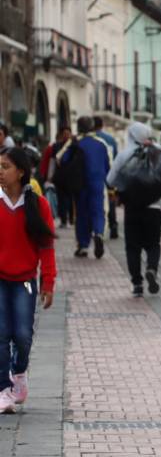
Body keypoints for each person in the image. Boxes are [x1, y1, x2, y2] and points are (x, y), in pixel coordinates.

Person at [0, 147, 56, 413]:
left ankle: (19, 373)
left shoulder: (37, 204)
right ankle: (3, 389)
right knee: (0, 334)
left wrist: (48, 282)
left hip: (24, 280)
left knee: (22, 335)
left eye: (5, 166)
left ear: (20, 172)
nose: (0, 171)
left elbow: (46, 247)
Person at [108, 122, 161, 297]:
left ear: (131, 136)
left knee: (132, 247)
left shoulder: (125, 155)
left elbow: (110, 180)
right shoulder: (160, 152)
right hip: (154, 208)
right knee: (153, 244)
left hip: (132, 208)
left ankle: (137, 283)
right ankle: (152, 268)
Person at [57, 116, 111, 258]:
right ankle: (98, 233)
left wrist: (70, 144)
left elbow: (61, 158)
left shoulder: (76, 143)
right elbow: (107, 165)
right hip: (97, 182)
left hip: (80, 183)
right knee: (98, 211)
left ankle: (83, 246)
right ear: (92, 127)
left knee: (81, 213)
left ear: (79, 128)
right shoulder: (101, 143)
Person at [93, 116, 119, 239]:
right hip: (110, 173)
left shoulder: (92, 139)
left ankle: (96, 229)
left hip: (94, 174)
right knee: (111, 200)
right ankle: (113, 226)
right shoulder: (111, 139)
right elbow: (116, 157)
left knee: (95, 202)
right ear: (102, 125)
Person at [50, 126, 73, 229]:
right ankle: (63, 219)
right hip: (59, 177)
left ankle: (71, 218)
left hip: (70, 177)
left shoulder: (73, 146)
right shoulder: (56, 146)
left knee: (70, 199)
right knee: (61, 199)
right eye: (64, 133)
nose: (66, 135)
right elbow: (53, 162)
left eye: (68, 133)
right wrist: (50, 175)